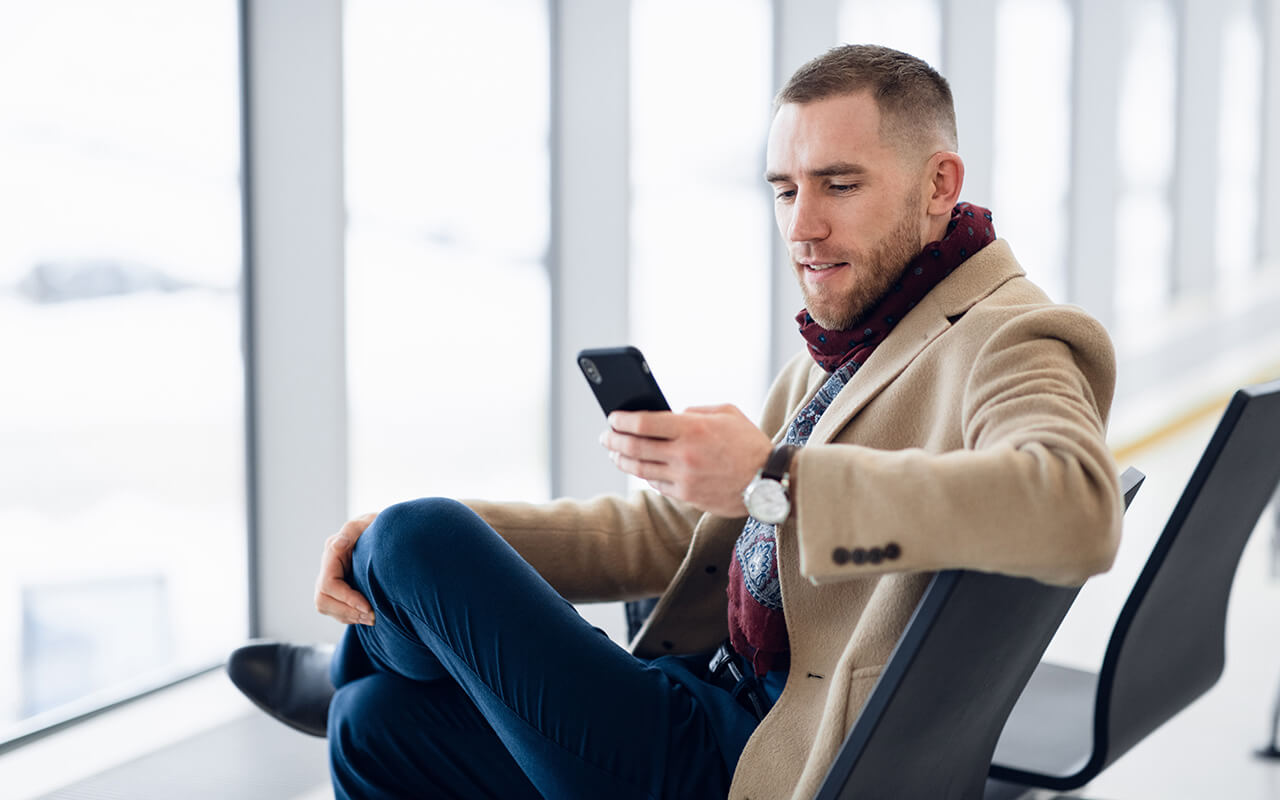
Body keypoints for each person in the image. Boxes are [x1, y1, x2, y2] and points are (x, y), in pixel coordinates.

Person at [228, 43, 1123, 799]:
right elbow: (664, 534)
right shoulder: (867, 336)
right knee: (374, 719)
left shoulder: (1015, 335)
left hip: (763, 761)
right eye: (783, 190)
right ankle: (380, 643)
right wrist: (444, 550)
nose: (802, 226)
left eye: (839, 185)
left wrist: (772, 479)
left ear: (939, 185)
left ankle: (375, 644)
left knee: (414, 540)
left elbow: (1077, 507)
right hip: (710, 697)